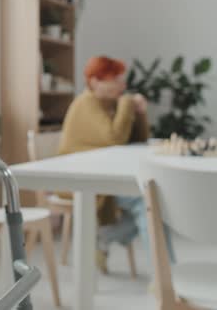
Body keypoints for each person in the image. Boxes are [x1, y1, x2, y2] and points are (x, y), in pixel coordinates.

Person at [58, 56, 175, 274]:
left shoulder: (110, 104)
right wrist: (126, 104)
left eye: (121, 80)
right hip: (81, 179)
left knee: (153, 201)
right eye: (115, 79)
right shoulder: (87, 103)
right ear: (94, 82)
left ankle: (103, 239)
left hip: (103, 175)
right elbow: (114, 138)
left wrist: (138, 114)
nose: (122, 85)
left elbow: (138, 139)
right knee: (147, 202)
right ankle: (167, 279)